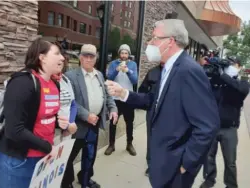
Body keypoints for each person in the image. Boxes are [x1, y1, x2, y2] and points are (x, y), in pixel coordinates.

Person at [105, 19, 220, 188]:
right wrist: (124, 94)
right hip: (162, 160)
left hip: (175, 166)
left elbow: (207, 125)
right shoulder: (167, 68)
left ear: (170, 41)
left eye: (154, 38)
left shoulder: (189, 71)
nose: (150, 43)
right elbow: (153, 100)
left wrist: (187, 164)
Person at [0, 38, 73, 188]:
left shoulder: (54, 83)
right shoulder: (22, 83)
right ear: (42, 58)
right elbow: (14, 130)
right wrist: (47, 147)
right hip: (18, 161)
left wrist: (58, 122)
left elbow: (40, 115)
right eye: (56, 53)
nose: (62, 58)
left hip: (43, 159)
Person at [61, 44, 118, 188]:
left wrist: (113, 108)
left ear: (95, 59)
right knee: (69, 157)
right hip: (77, 125)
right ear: (80, 57)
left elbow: (107, 95)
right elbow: (70, 101)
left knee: (90, 155)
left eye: (91, 56)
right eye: (85, 55)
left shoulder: (99, 75)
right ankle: (67, 182)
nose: (88, 59)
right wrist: (86, 115)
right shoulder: (70, 76)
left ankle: (85, 180)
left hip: (94, 124)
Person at [200, 56, 250, 188]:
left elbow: (242, 90)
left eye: (232, 64)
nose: (230, 67)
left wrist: (224, 76)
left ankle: (231, 185)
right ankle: (209, 180)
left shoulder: (242, 84)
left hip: (229, 129)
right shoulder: (218, 82)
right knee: (209, 157)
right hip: (212, 127)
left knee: (230, 161)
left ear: (238, 67)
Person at [104, 44, 138, 156]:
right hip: (115, 98)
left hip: (128, 97)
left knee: (129, 122)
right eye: (122, 53)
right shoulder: (113, 64)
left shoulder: (133, 64)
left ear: (128, 54)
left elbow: (134, 81)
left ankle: (129, 144)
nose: (124, 55)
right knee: (113, 122)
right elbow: (109, 78)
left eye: (126, 53)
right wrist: (116, 70)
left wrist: (128, 71)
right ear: (119, 54)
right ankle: (111, 145)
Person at [138, 65, 161, 176]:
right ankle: (151, 165)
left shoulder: (179, 71)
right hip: (153, 111)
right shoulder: (152, 72)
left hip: (171, 112)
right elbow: (142, 90)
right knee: (151, 138)